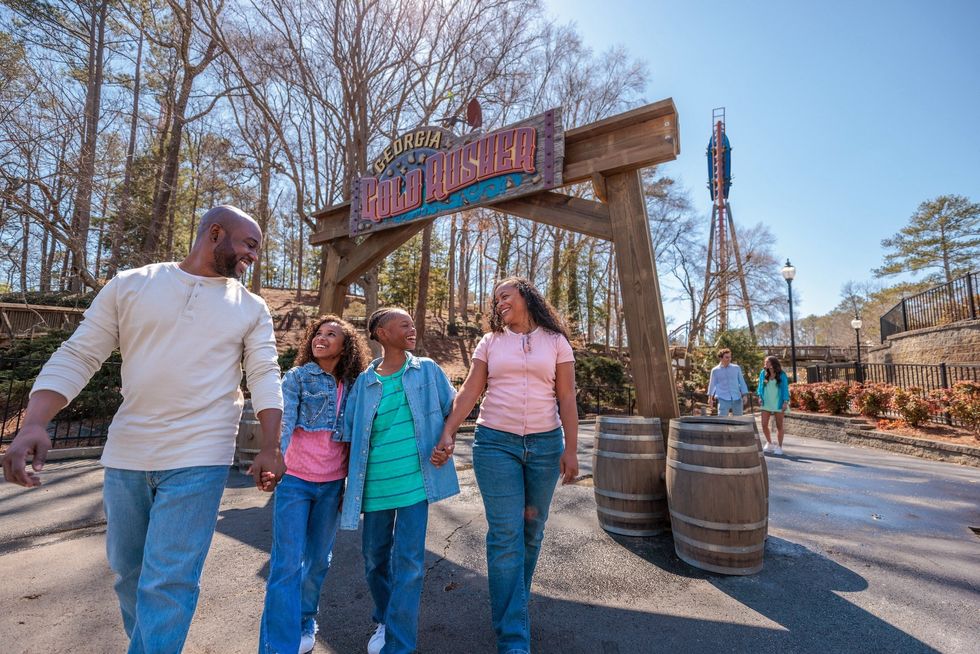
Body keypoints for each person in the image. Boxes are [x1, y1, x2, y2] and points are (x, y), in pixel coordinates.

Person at [1, 205, 285, 654]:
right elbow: (81, 354)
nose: (254, 255)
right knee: (130, 573)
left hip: (200, 455)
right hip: (127, 454)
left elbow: (265, 373)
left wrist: (270, 444)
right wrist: (35, 421)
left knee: (169, 580)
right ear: (214, 233)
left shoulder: (251, 308)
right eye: (250, 244)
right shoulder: (132, 284)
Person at [434, 276, 579, 654]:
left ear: (527, 297)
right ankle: (513, 638)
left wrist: (572, 449)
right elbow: (470, 390)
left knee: (532, 530)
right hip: (496, 444)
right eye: (495, 299)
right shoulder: (491, 342)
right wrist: (449, 431)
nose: (498, 303)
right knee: (505, 535)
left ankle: (513, 605)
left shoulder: (557, 342)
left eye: (505, 296)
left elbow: (566, 398)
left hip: (546, 447)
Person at [339, 307, 459, 654]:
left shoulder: (428, 371)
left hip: (415, 484)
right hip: (374, 484)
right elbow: (348, 433)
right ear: (381, 333)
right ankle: (384, 619)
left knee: (409, 564)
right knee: (374, 559)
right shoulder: (364, 382)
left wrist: (446, 441)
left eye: (412, 323)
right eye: (403, 324)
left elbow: (453, 410)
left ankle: (399, 645)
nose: (412, 328)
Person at [259, 315, 370, 654]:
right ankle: (278, 645)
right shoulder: (298, 377)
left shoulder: (356, 384)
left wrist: (352, 487)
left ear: (345, 345)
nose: (321, 338)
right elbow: (286, 419)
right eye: (317, 333)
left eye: (331, 334)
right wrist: (275, 459)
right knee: (286, 564)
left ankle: (305, 619)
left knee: (319, 561)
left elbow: (358, 436)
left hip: (332, 485)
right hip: (295, 481)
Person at [757, 355, 791, 455]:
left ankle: (779, 447)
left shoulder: (782, 374)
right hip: (766, 402)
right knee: (763, 425)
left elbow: (785, 389)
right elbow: (760, 387)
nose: (765, 364)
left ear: (772, 363)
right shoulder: (763, 373)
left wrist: (785, 402)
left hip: (778, 403)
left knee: (779, 426)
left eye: (767, 362)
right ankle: (769, 442)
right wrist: (760, 397)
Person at [707, 348, 750, 416]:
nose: (729, 359)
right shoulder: (715, 370)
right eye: (727, 357)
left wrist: (745, 395)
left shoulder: (736, 368)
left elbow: (742, 382)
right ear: (721, 358)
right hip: (723, 398)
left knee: (739, 421)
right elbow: (712, 384)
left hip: (737, 398)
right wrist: (710, 398)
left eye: (730, 357)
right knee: (722, 421)